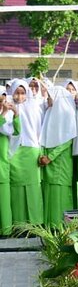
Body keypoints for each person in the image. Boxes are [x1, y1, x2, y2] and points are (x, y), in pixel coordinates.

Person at [8, 79, 45, 225]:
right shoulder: (7, 108)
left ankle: (35, 223)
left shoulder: (34, 106)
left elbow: (40, 129)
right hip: (13, 152)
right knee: (16, 188)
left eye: (23, 93)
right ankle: (19, 224)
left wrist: (40, 149)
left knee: (33, 187)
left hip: (31, 150)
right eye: (17, 92)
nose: (20, 96)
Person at [39, 85, 77, 225]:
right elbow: (43, 137)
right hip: (47, 160)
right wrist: (43, 155)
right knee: (49, 190)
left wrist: (51, 156)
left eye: (50, 96)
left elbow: (68, 140)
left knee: (59, 192)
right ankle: (49, 225)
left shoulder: (67, 113)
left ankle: (60, 225)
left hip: (61, 161)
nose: (48, 99)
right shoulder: (50, 112)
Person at [0, 90, 18, 234]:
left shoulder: (8, 118)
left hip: (2, 165)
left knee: (4, 201)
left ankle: (6, 232)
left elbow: (17, 131)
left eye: (3, 101)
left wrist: (15, 113)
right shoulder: (3, 116)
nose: (2, 104)